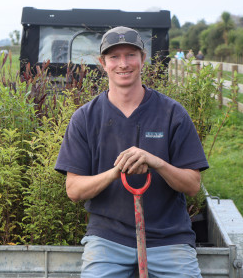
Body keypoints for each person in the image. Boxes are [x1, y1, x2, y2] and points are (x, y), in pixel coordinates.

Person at [55, 26, 209, 277]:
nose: (123, 64)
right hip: (108, 239)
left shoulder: (173, 114)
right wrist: (116, 173)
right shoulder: (85, 118)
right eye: (114, 57)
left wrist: (157, 162)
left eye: (130, 55)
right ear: (102, 63)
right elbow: (74, 190)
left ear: (143, 59)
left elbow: (192, 185)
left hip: (168, 238)